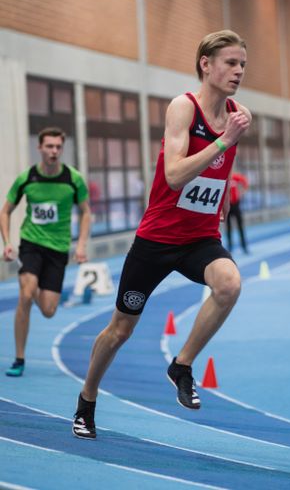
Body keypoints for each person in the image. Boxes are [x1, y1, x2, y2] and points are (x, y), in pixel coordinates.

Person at [72, 29, 251, 439]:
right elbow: (173, 176)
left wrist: (220, 207)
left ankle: (182, 364)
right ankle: (87, 399)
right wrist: (224, 140)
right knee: (120, 330)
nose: (238, 71)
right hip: (157, 240)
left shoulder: (240, 114)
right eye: (230, 62)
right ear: (206, 64)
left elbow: (218, 175)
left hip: (199, 239)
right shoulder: (183, 108)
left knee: (230, 284)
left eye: (242, 64)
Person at [0, 127, 91, 377]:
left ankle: (35, 283)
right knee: (26, 295)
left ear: (62, 149)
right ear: (39, 148)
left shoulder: (73, 179)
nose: (53, 151)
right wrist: (7, 242)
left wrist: (81, 244)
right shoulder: (26, 178)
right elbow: (5, 210)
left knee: (49, 310)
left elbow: (86, 212)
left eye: (58, 147)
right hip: (31, 244)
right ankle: (19, 358)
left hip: (58, 249)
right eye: (49, 146)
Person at [226, 171, 249, 253]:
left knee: (240, 226)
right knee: (228, 227)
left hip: (236, 205)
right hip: (227, 205)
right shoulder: (224, 177)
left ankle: (244, 246)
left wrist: (242, 192)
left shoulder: (235, 177)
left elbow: (245, 182)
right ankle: (230, 247)